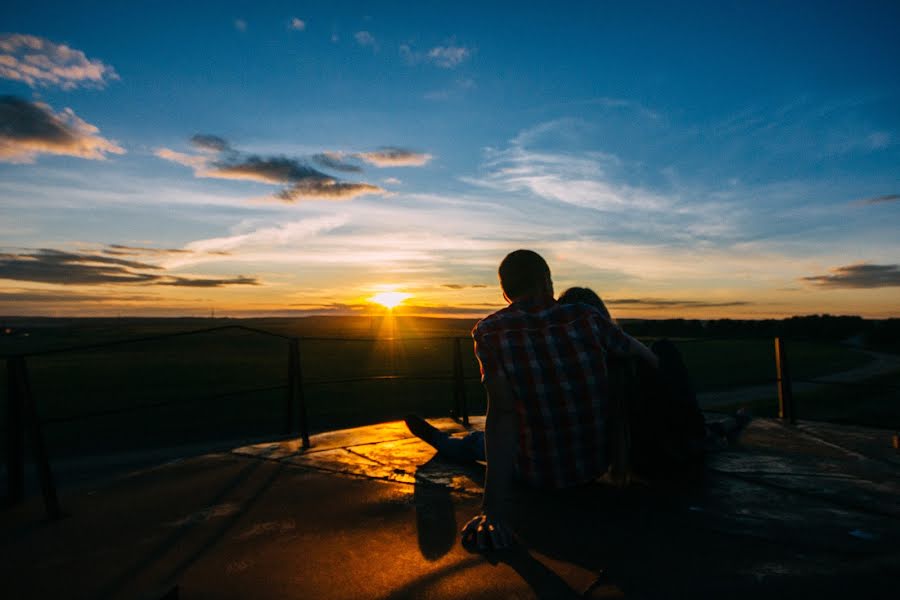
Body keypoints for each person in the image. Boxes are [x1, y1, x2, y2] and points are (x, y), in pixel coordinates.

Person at [406, 249, 660, 551]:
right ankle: (447, 441)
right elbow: (649, 360)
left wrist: (491, 511)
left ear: (504, 292)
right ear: (547, 282)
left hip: (537, 472)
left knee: (482, 441)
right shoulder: (588, 317)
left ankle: (443, 442)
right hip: (593, 465)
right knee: (485, 438)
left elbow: (502, 417)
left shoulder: (490, 332)